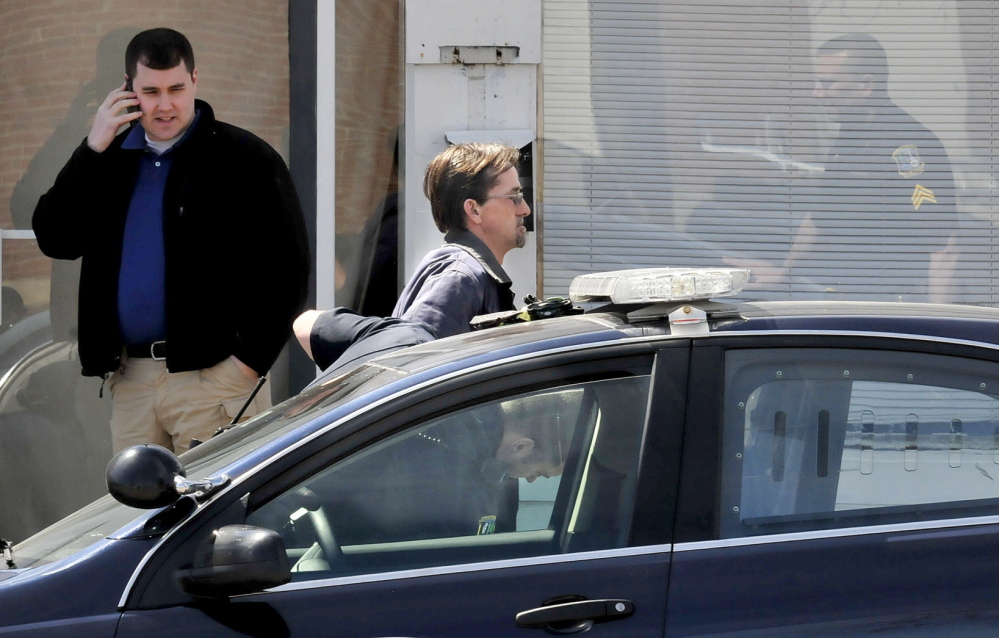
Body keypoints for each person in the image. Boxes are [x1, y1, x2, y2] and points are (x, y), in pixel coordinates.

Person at [32, 28, 310, 454]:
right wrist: (92, 148)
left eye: (177, 88)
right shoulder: (109, 158)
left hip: (215, 378)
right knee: (138, 514)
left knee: (218, 513)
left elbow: (288, 270)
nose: (165, 105)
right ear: (128, 89)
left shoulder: (244, 158)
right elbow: (56, 237)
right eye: (151, 91)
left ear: (195, 79)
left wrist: (246, 365)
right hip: (132, 379)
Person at [730, 33, 960, 302]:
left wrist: (933, 331)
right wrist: (783, 273)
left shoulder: (908, 146)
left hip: (896, 303)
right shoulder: (849, 136)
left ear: (865, 85)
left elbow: (944, 249)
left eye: (827, 83)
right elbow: (819, 217)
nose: (816, 93)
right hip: (846, 294)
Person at [391, 143, 531, 338]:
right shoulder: (458, 278)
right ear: (474, 210)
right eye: (513, 196)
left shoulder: (469, 274)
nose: (525, 209)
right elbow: (420, 357)